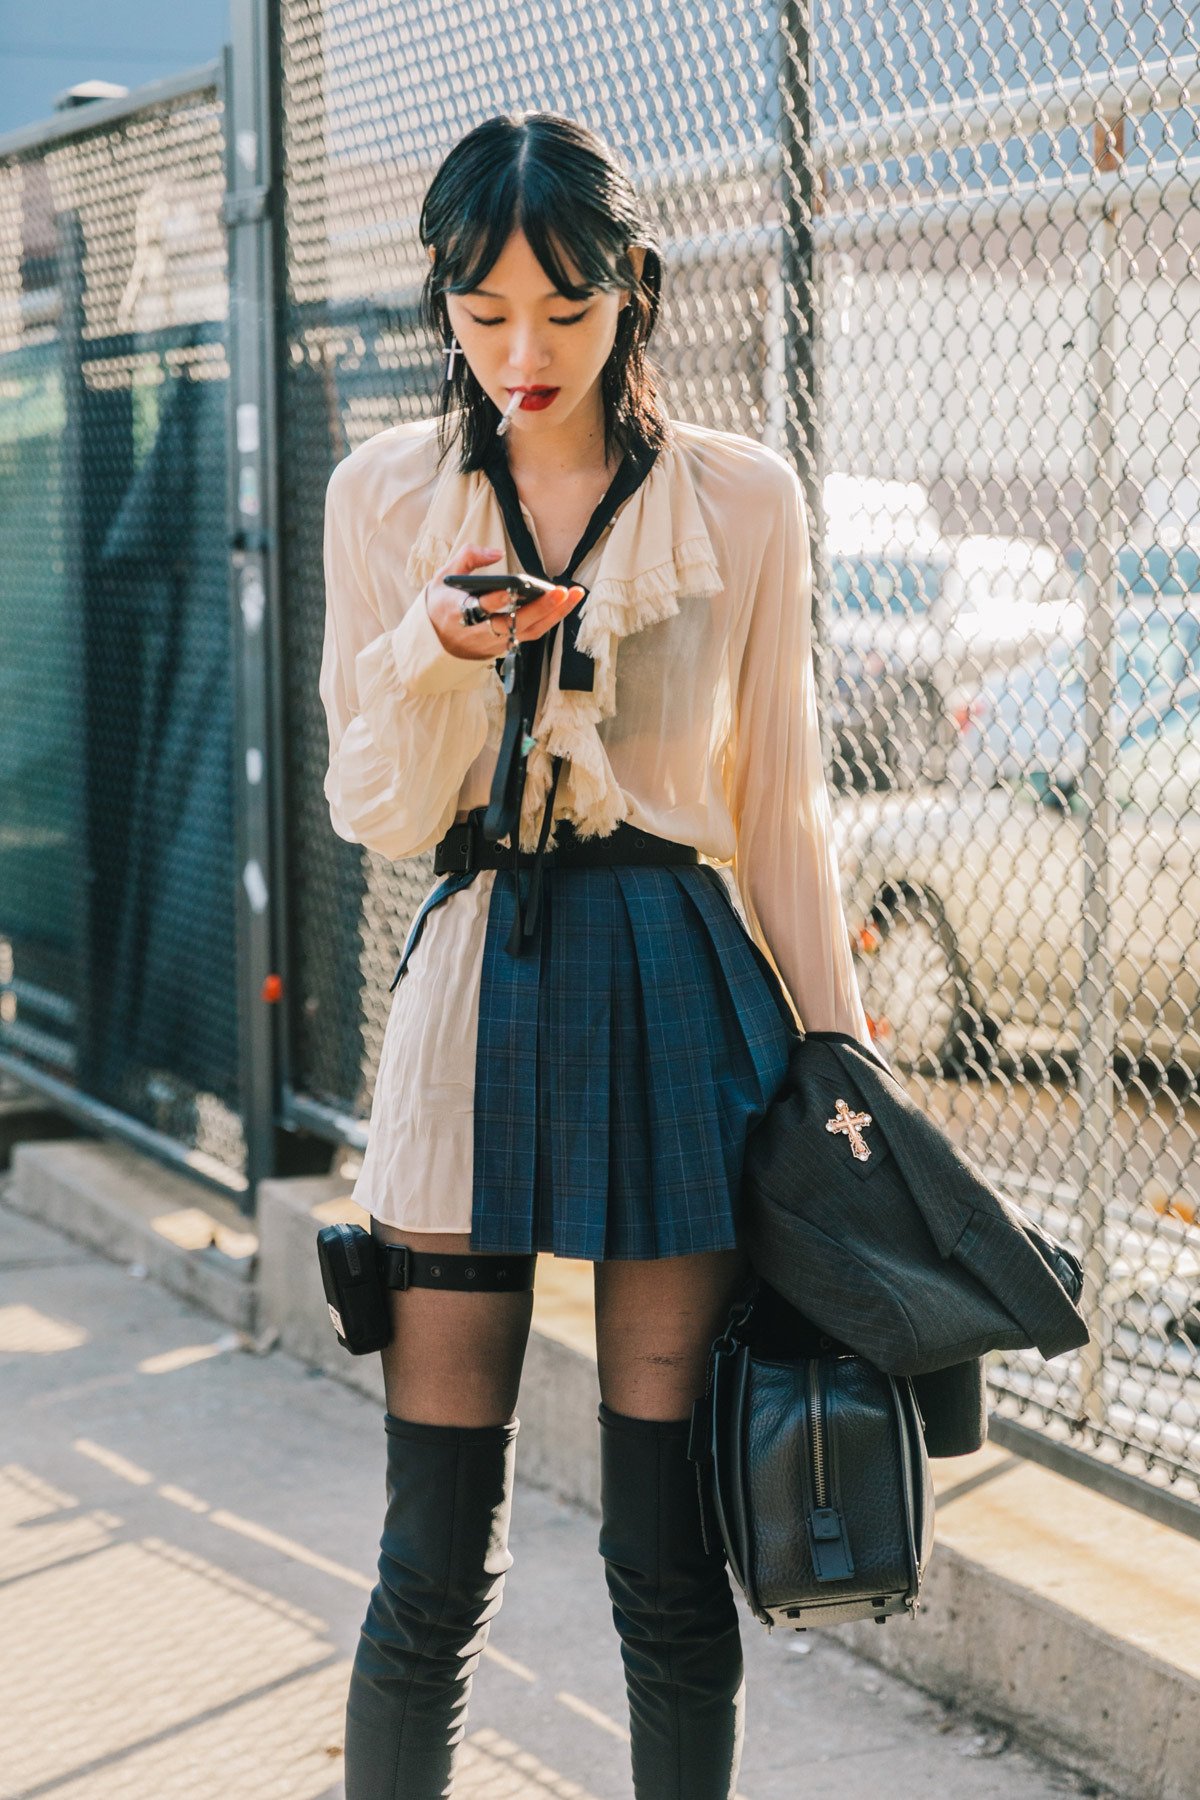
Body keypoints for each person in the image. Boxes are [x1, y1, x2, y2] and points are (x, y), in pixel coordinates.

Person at [319, 110, 878, 1800]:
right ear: (444, 305)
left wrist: (845, 1061)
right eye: (483, 314)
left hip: (675, 988)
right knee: (431, 1554)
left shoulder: (741, 497)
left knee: (665, 1553)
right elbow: (372, 804)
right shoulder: (390, 494)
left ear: (632, 290)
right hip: (480, 978)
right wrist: (433, 638)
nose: (522, 353)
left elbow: (777, 804)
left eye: (562, 311)